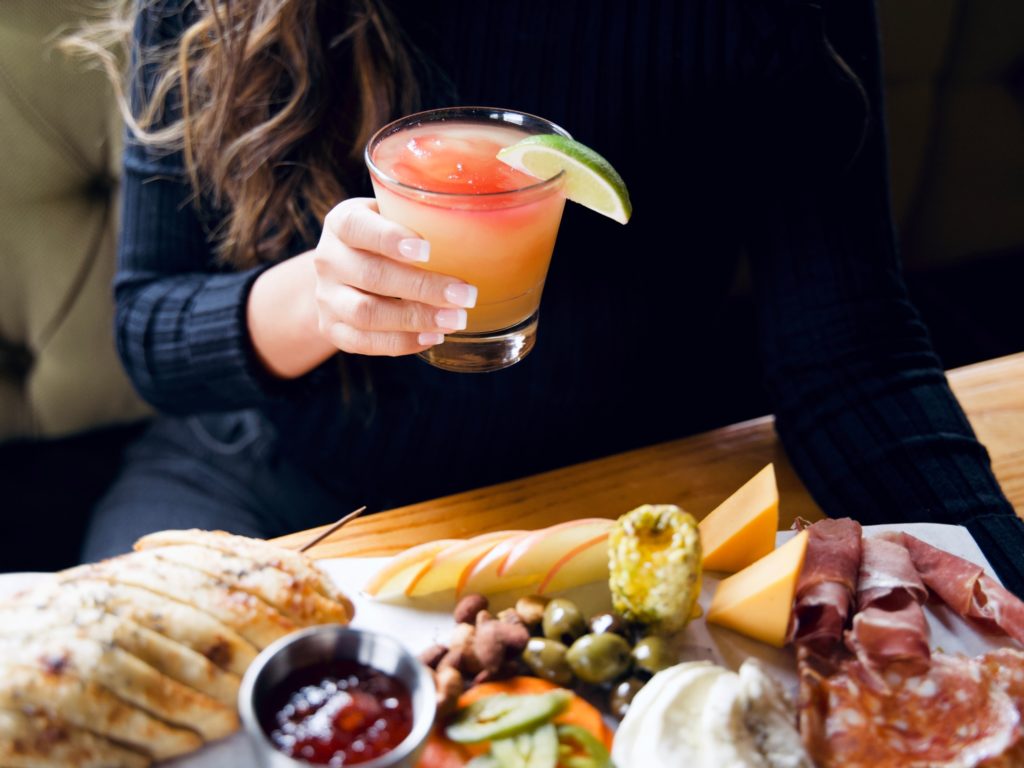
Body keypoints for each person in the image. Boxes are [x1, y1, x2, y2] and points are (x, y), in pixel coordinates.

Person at [77, 0, 1023, 597]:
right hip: (273, 480)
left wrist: (997, 573)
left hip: (612, 490)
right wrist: (316, 300)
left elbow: (851, 352)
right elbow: (146, 328)